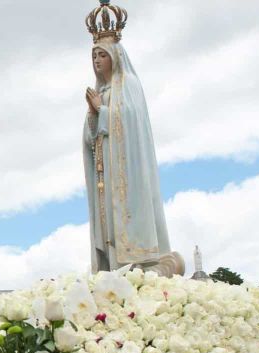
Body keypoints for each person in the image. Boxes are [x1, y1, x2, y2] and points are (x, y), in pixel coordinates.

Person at [83, 2, 181, 276]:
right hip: (105, 173)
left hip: (127, 173)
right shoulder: (102, 90)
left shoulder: (129, 85)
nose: (97, 61)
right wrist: (94, 113)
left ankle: (139, 263)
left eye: (102, 55)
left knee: (124, 218)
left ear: (115, 56)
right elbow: (91, 137)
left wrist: (100, 110)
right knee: (108, 226)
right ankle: (113, 265)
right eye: (94, 57)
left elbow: (130, 122)